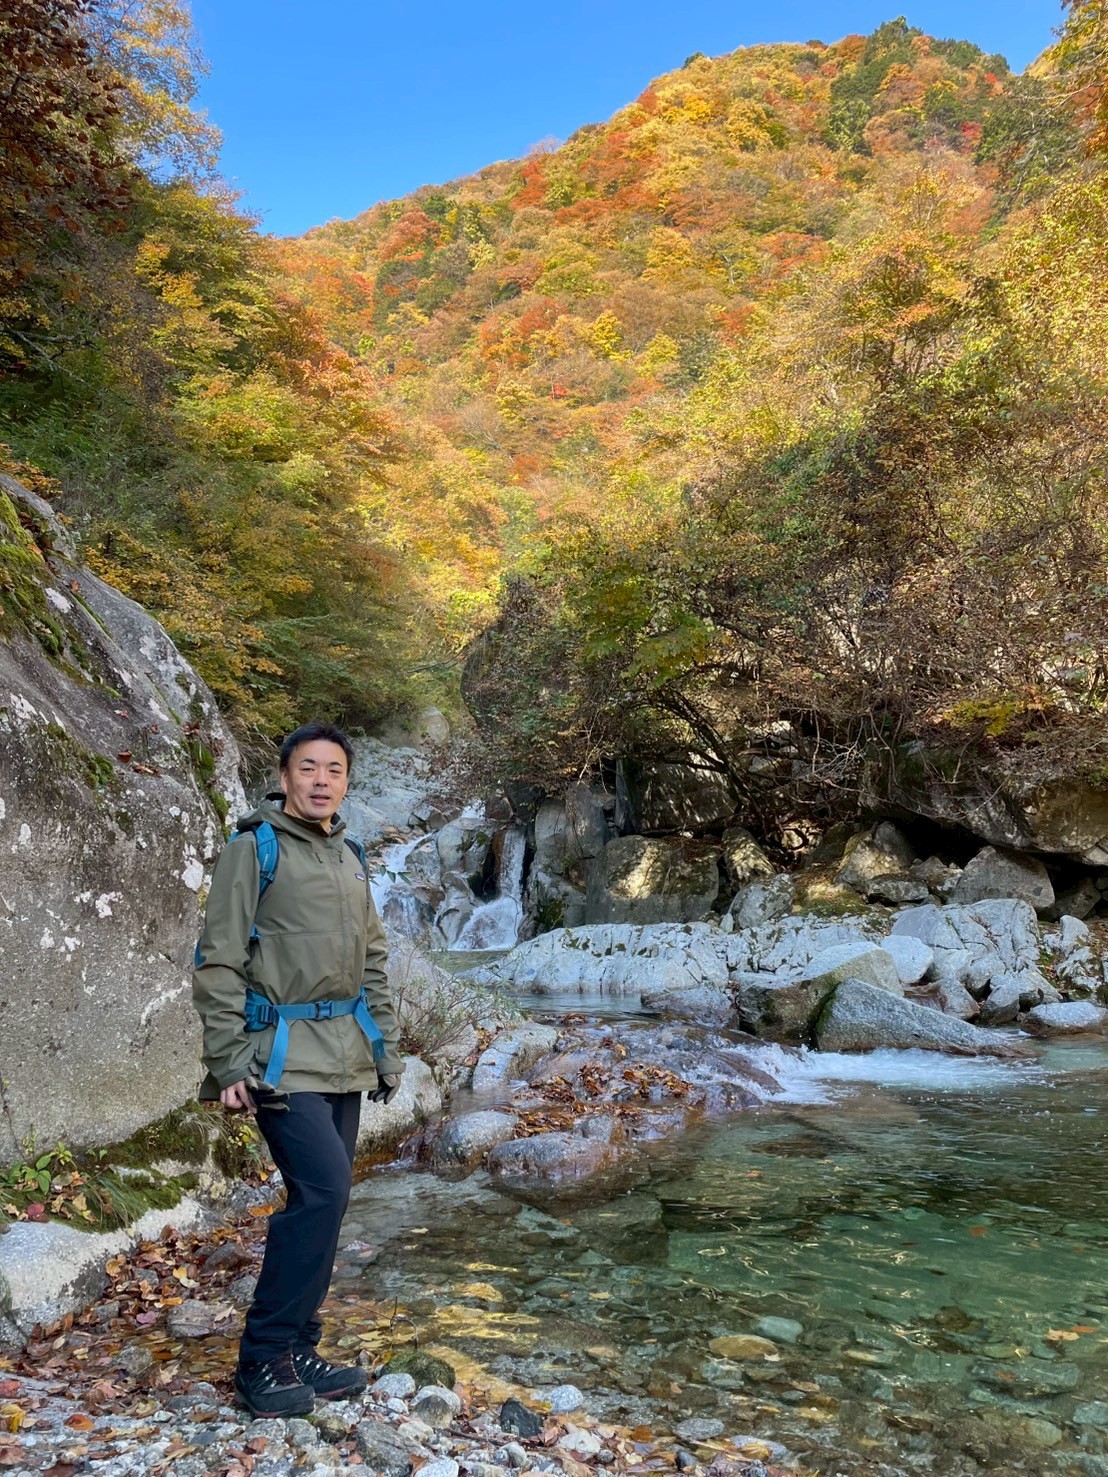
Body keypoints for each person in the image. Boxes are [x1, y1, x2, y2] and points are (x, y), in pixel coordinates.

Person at [192, 720, 404, 1418]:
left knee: (330, 1201)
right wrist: (227, 1059)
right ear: (284, 777)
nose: (321, 780)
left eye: (334, 770)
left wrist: (385, 1049)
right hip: (279, 1055)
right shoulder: (253, 849)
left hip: (344, 1053)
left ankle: (300, 1349)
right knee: (320, 1194)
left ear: (346, 782)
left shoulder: (350, 854)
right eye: (308, 767)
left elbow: (372, 961)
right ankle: (262, 1358)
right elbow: (218, 960)